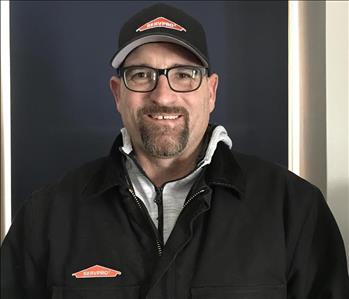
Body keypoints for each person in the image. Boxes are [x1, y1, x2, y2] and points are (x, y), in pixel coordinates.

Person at [1, 3, 349, 299]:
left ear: (211, 92)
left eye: (184, 75)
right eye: (141, 75)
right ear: (117, 93)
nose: (163, 95)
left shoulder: (293, 210)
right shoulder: (48, 216)